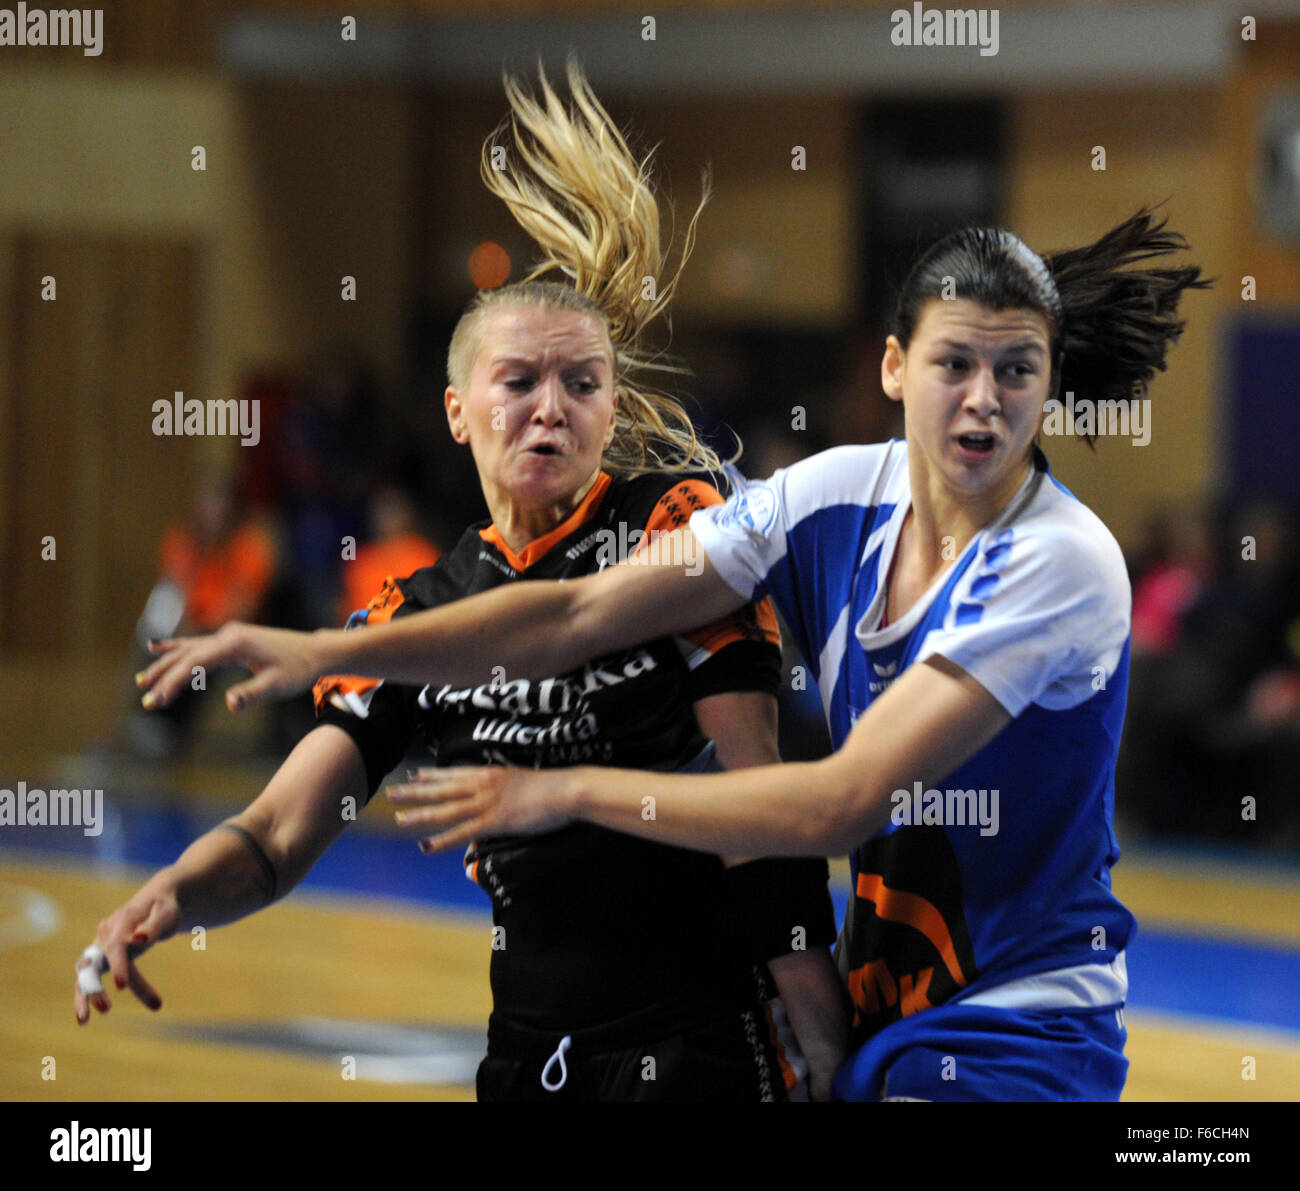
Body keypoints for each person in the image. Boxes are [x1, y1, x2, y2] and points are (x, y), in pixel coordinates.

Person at [136, 205, 1211, 1101]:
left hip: (1021, 1019)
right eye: (955, 363)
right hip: (892, 1011)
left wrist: (560, 794)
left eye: (1017, 369)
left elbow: (832, 807)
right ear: (893, 367)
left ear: (1050, 380)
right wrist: (312, 644)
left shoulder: (1058, 561)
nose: (983, 399)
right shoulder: (834, 496)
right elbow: (570, 616)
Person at [79, 64, 848, 1103]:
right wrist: (170, 895)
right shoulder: (418, 613)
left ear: (610, 410)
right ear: (455, 411)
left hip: (698, 1031)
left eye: (581, 386)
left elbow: (758, 795)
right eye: (519, 382)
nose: (550, 409)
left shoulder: (672, 531)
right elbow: (274, 836)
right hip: (530, 1043)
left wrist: (817, 1020)